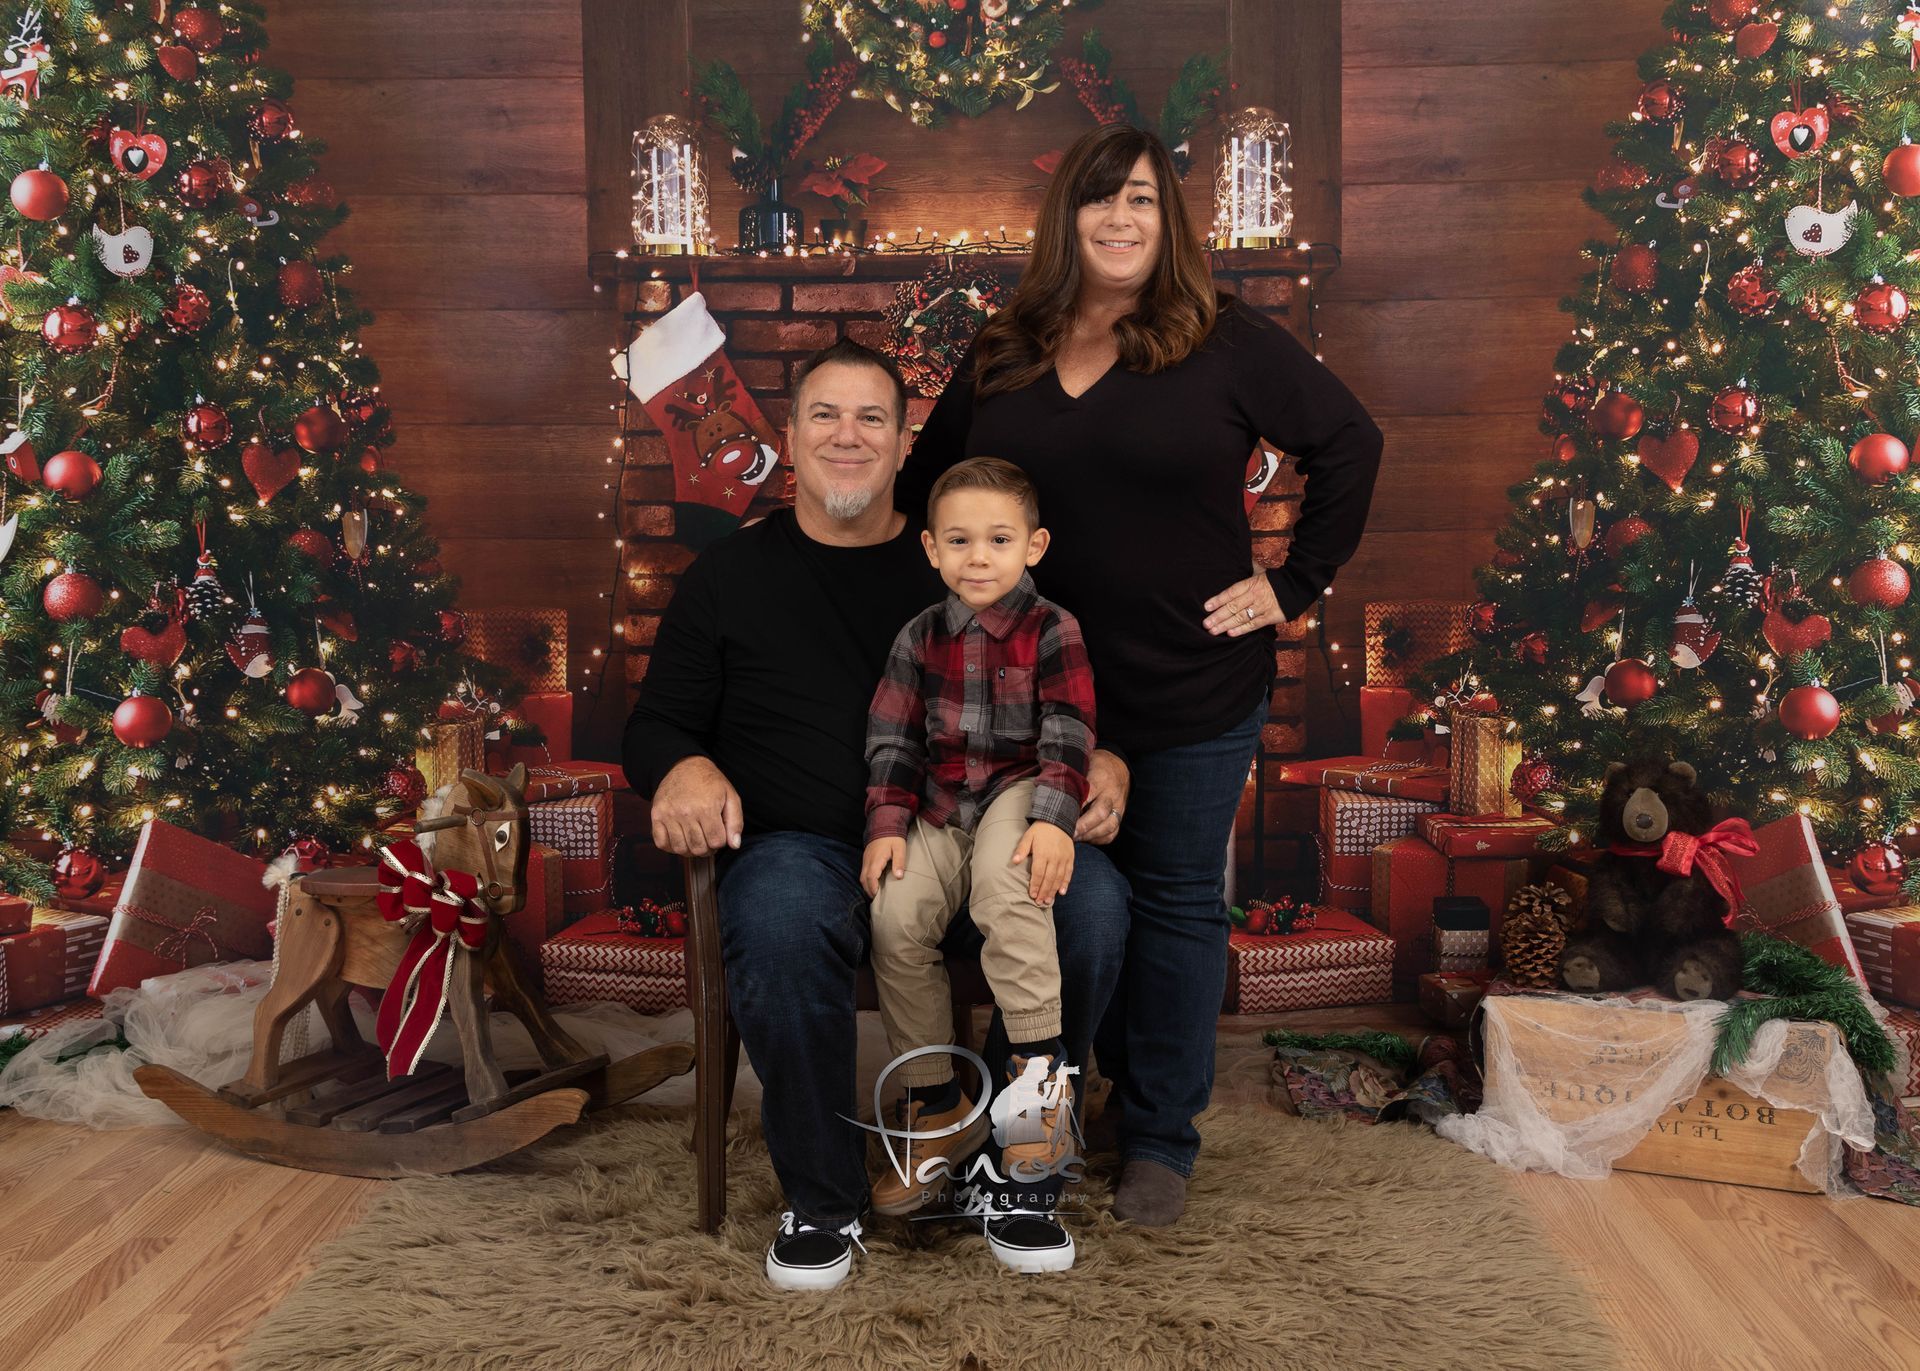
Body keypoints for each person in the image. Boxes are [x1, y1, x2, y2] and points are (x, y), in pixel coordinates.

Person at [898, 123, 1384, 1227]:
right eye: (1098, 199)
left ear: (1170, 224)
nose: (1120, 219)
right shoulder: (1005, 349)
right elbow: (929, 491)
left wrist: (1293, 585)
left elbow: (1352, 441)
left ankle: (1160, 1135)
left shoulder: (1218, 338)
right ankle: (1026, 1134)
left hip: (1189, 692)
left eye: (1144, 202)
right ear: (1064, 217)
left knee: (1173, 910)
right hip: (1034, 706)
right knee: (1052, 908)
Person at [624, 339, 1130, 1293]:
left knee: (1093, 908)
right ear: (789, 437)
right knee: (774, 922)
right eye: (824, 415)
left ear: (905, 443)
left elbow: (1070, 684)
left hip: (972, 824)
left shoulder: (965, 547)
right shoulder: (728, 574)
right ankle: (824, 1199)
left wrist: (1105, 759)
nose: (846, 436)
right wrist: (682, 765)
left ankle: (1012, 1161)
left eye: (871, 418)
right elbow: (656, 722)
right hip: (799, 842)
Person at [861, 457, 1095, 1268]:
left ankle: (1038, 1116)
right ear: (931, 547)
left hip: (1018, 786)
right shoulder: (918, 633)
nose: (979, 556)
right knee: (893, 912)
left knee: (1010, 889)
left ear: (1034, 544)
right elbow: (892, 738)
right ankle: (939, 1103)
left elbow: (1068, 726)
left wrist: (1056, 819)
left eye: (998, 539)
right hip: (937, 797)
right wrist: (886, 826)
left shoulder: (1055, 627)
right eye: (959, 540)